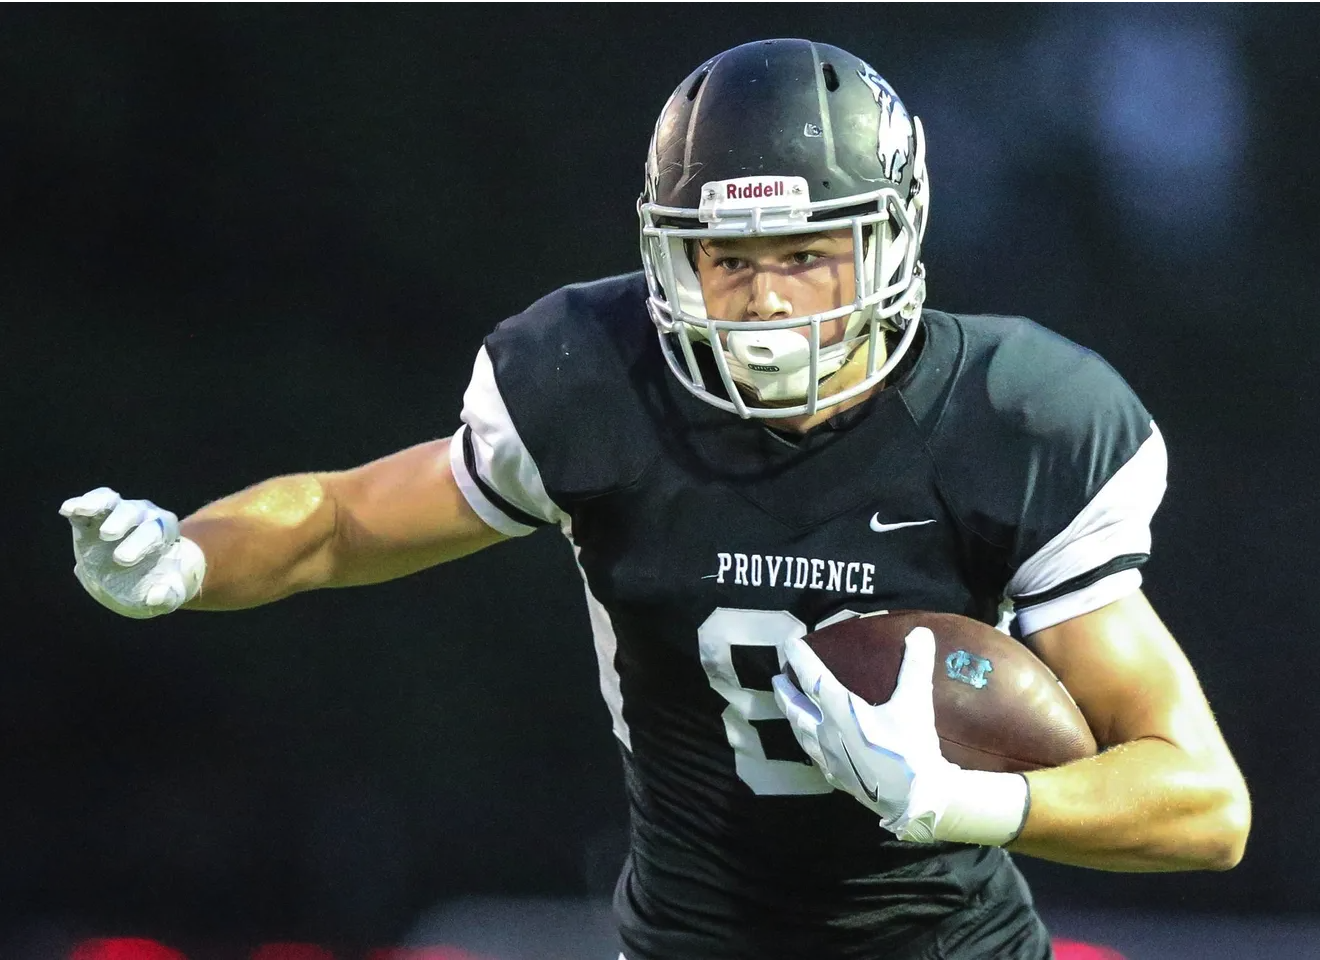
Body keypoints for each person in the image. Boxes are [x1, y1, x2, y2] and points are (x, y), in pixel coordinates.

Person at [60, 38, 1250, 960]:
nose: (767, 300)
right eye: (729, 259)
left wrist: (964, 800)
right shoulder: (596, 380)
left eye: (807, 253)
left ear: (892, 238)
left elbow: (1202, 805)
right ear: (670, 254)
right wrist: (191, 557)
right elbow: (340, 522)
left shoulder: (1016, 418)